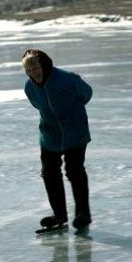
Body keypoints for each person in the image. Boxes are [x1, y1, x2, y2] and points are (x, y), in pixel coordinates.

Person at [21, 49, 93, 230]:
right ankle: (59, 216)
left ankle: (82, 214)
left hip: (74, 131)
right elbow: (37, 105)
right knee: (49, 173)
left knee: (74, 170)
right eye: (28, 70)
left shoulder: (67, 79)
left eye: (35, 67)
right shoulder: (29, 87)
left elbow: (87, 94)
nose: (33, 73)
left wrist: (72, 113)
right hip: (49, 135)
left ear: (44, 65)